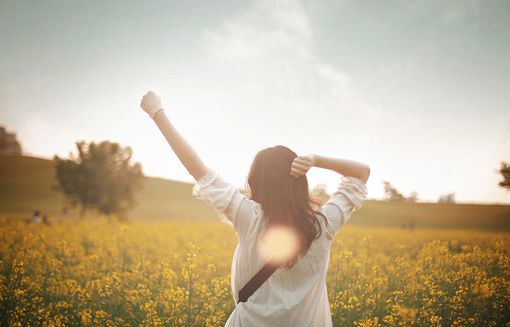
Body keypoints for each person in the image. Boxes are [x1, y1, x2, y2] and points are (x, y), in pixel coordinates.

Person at [139, 91, 370, 327]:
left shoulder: (249, 216)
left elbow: (196, 169)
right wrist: (316, 159)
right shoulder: (323, 223)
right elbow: (362, 173)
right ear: (300, 181)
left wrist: (156, 113)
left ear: (255, 181)